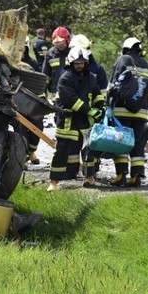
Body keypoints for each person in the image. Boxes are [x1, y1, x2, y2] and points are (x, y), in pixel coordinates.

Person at [106, 37, 148, 187]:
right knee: (137, 144)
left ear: (125, 49)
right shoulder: (145, 64)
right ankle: (136, 176)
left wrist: (108, 105)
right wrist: (141, 98)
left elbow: (112, 85)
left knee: (121, 142)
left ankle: (121, 175)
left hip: (121, 111)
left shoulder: (122, 60)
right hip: (140, 113)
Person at [47, 47, 105, 191]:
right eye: (77, 63)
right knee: (62, 151)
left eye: (82, 62)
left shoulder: (91, 77)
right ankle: (53, 182)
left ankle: (90, 177)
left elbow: (97, 94)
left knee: (89, 150)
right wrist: (89, 110)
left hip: (85, 121)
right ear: (71, 62)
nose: (80, 65)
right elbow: (70, 99)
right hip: (68, 120)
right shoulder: (65, 77)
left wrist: (100, 108)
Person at [42, 26, 71, 99]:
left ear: (67, 40)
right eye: (56, 43)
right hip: (54, 92)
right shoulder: (50, 53)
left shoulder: (73, 53)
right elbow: (45, 75)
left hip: (71, 91)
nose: (59, 45)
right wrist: (43, 92)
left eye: (61, 42)